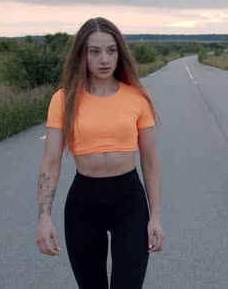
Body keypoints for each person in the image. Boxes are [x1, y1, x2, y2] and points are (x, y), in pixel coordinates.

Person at [36, 17, 164, 289]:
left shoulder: (137, 97)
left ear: (120, 53)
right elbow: (50, 162)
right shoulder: (63, 99)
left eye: (111, 50)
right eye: (94, 51)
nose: (104, 59)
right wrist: (44, 217)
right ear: (82, 55)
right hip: (83, 205)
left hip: (129, 203)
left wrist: (156, 217)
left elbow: (150, 163)